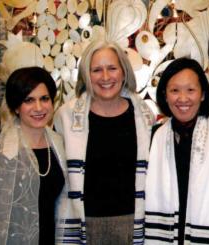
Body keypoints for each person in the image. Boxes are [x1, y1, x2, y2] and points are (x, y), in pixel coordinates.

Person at [54, 39, 155, 244]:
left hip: (132, 226)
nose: (106, 77)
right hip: (82, 226)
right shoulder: (66, 116)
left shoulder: (145, 117)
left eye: (112, 68)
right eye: (97, 70)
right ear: (86, 75)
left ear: (124, 71)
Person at [0, 66, 70, 245]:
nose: (38, 107)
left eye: (44, 99)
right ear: (15, 107)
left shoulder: (59, 144)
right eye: (28, 100)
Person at [144, 57, 209, 244]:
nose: (182, 98)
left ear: (202, 94)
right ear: (165, 95)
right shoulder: (153, 137)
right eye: (175, 90)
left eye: (191, 90)